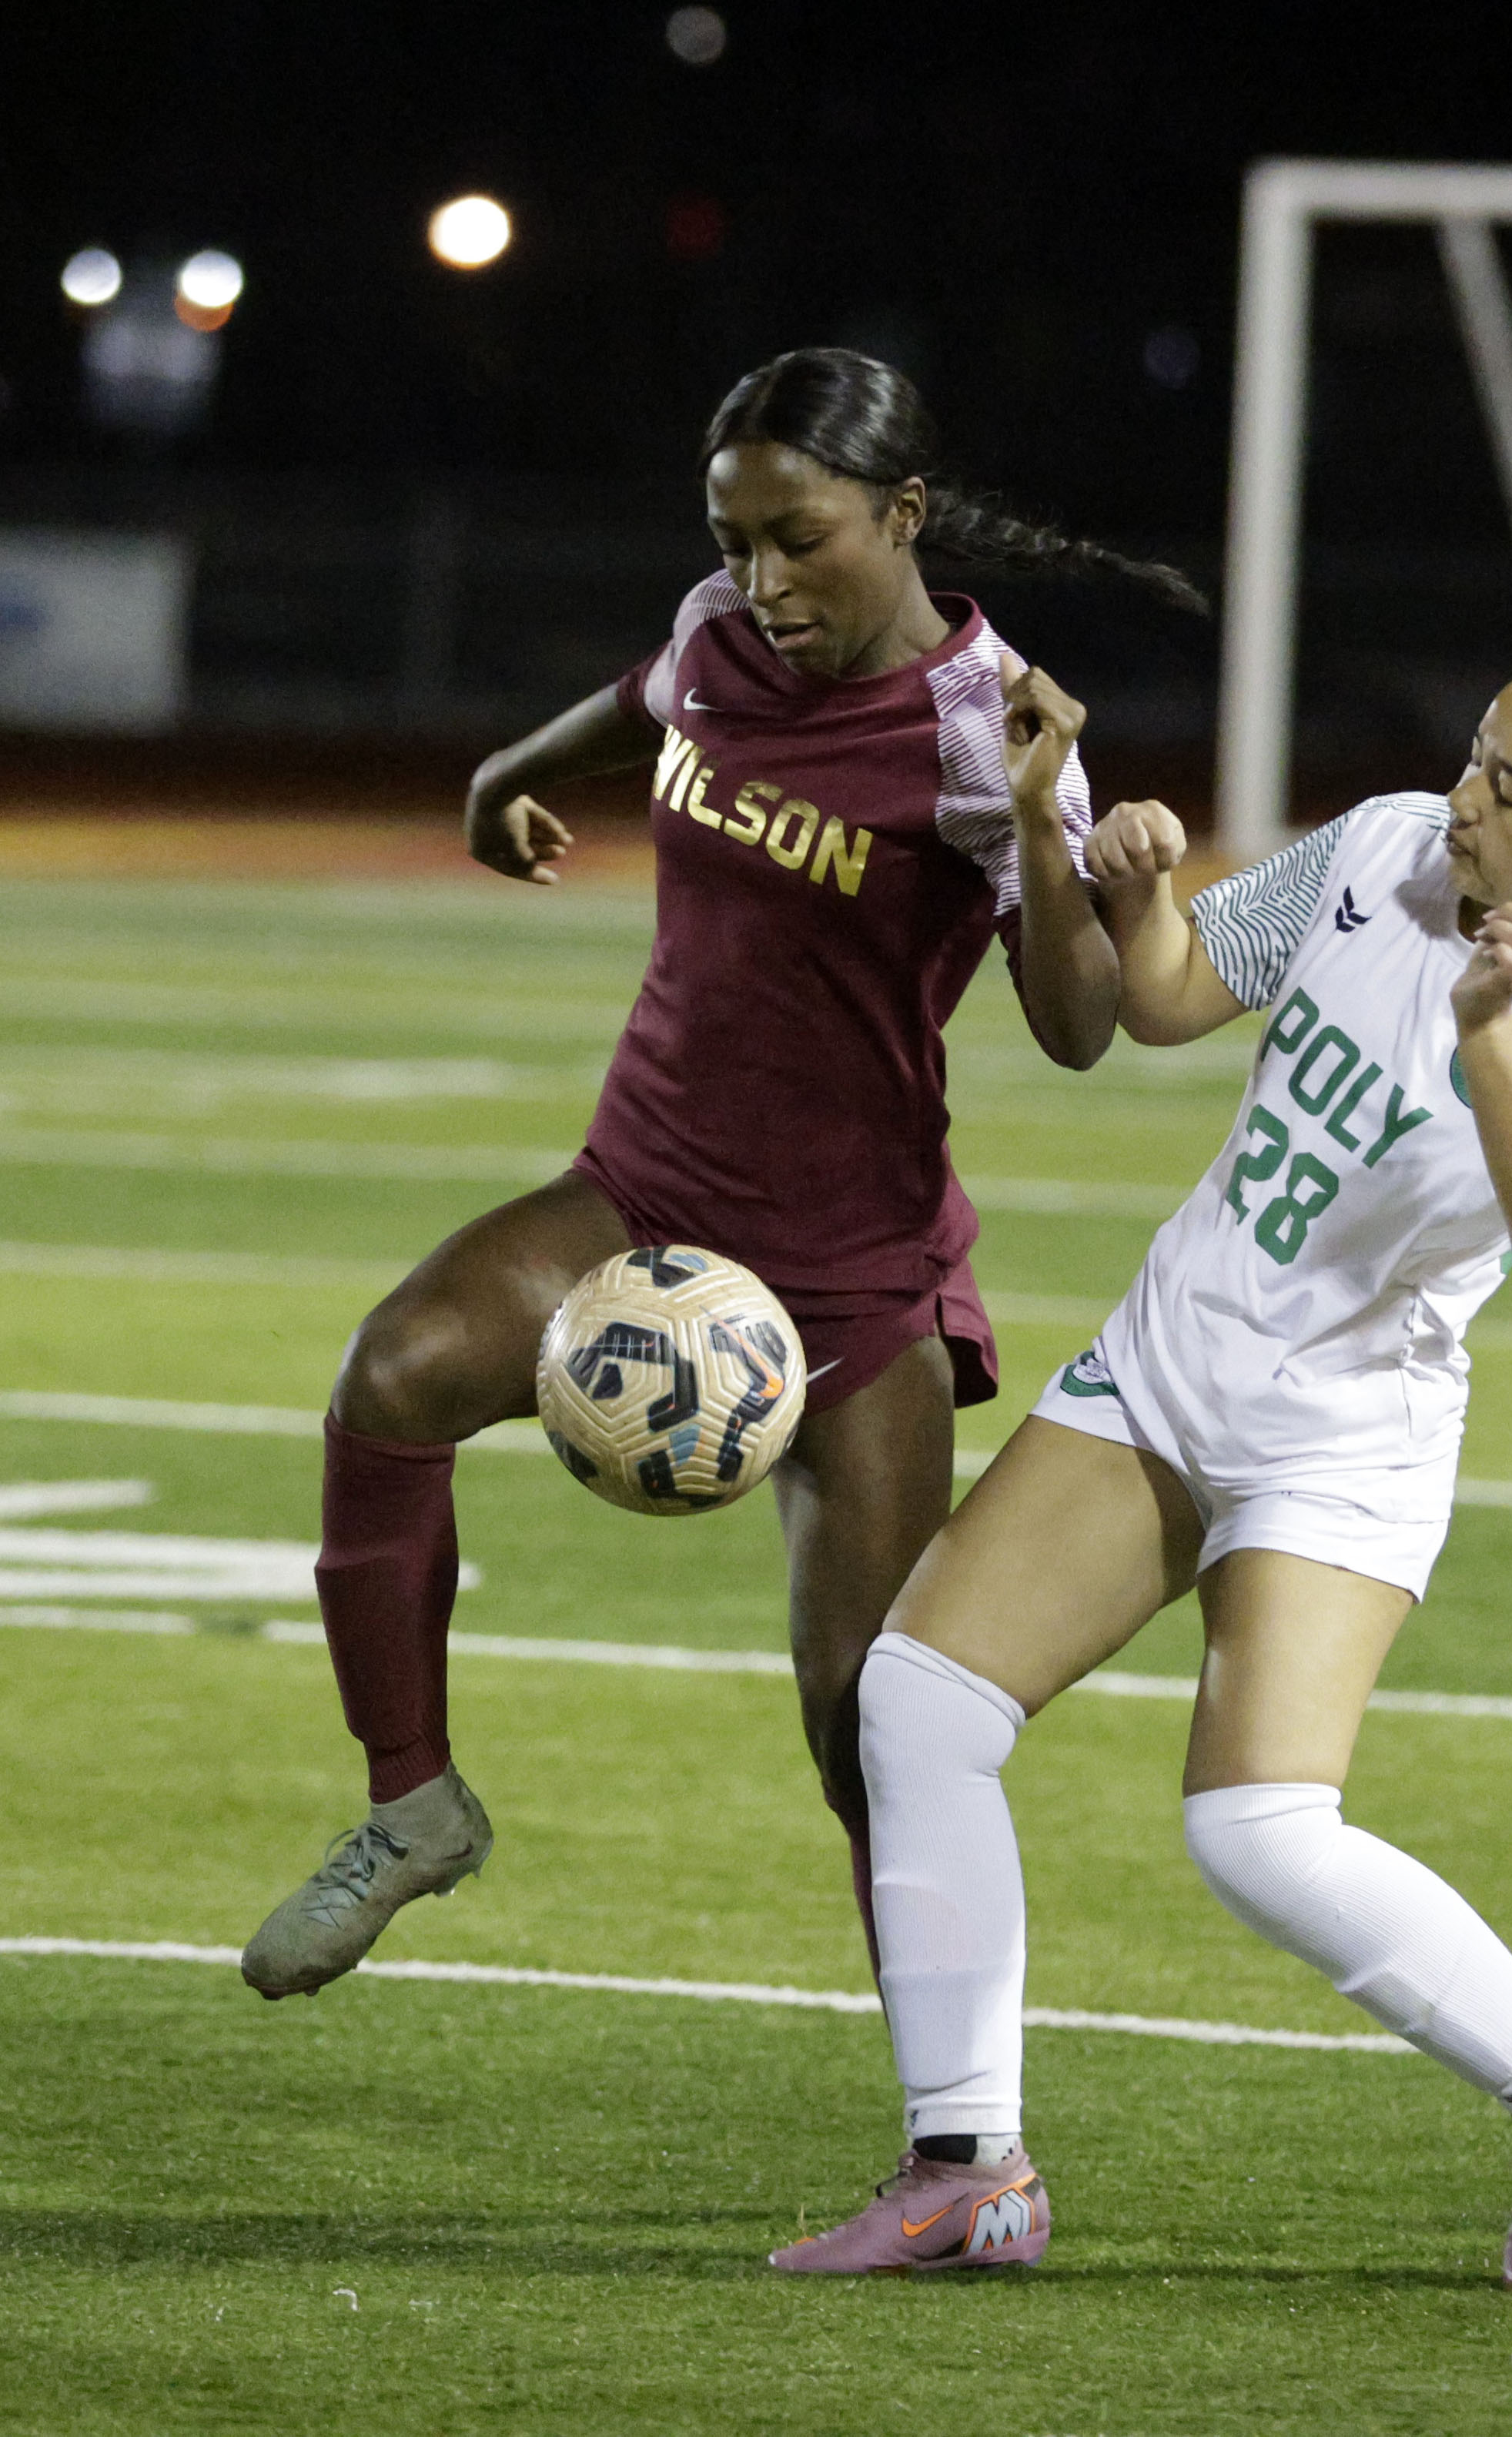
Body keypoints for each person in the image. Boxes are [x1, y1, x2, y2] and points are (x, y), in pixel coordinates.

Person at [240, 348, 1206, 2002]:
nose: (763, 580)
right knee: (391, 1375)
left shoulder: (990, 732)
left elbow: (1081, 1025)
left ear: (902, 516)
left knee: (870, 1736)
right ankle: (414, 1804)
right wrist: (509, 774)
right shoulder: (722, 628)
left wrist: (1047, 829)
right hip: (638, 1188)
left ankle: (959, 2143)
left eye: (802, 539)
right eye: (736, 536)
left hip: (846, 1267)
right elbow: (654, 697)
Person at [771, 651, 1512, 2291]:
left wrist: (1492, 1029)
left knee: (1261, 1825)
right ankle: (967, 2166)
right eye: (1477, 752)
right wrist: (1128, 883)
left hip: (1342, 1434)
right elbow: (1171, 992)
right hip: (1169, 1356)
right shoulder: (1380, 842)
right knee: (915, 1701)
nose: (1465, 797)